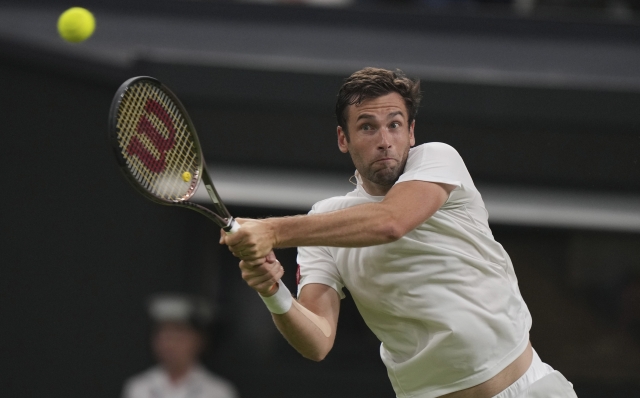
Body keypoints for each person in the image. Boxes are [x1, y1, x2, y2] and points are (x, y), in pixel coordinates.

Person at [220, 67, 577, 398]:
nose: (385, 140)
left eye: (394, 124)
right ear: (343, 139)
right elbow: (318, 342)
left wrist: (272, 230)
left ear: (411, 132)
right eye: (367, 127)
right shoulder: (325, 222)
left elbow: (390, 223)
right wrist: (271, 291)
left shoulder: (438, 159)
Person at [121, 294, 239, 398]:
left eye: (178, 338)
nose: (170, 345)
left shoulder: (218, 392)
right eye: (164, 337)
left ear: (198, 341)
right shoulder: (139, 387)